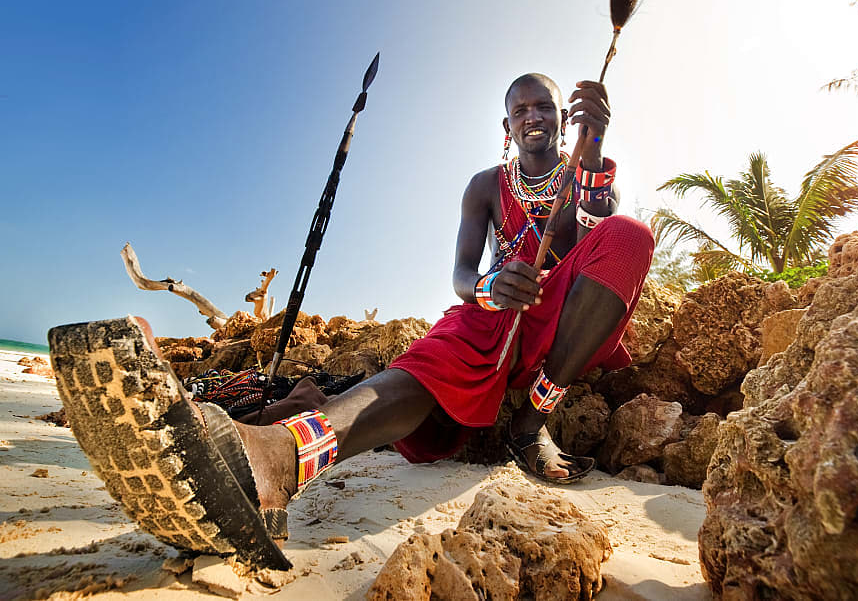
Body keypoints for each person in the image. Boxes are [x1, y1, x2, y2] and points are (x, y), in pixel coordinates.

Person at [48, 72, 654, 567]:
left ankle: (531, 421)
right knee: (421, 375)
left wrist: (594, 147)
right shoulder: (483, 186)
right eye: (520, 109)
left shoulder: (583, 170)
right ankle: (279, 455)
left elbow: (594, 235)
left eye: (543, 106)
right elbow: (463, 274)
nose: (533, 117)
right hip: (490, 317)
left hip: (552, 322)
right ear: (506, 126)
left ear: (562, 115)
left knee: (629, 235)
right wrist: (492, 287)